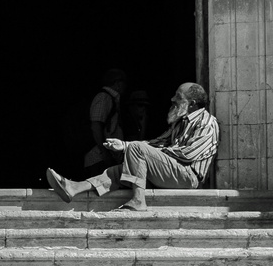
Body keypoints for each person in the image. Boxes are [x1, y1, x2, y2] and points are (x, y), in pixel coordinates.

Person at [46, 81, 218, 211]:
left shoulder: (207, 122)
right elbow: (157, 143)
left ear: (193, 103)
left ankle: (138, 201)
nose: (172, 99)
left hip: (187, 176)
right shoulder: (180, 123)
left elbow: (187, 154)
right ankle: (74, 188)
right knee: (120, 169)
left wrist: (138, 150)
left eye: (178, 97)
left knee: (136, 150)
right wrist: (124, 145)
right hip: (172, 172)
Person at [81, 68, 126, 170]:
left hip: (106, 157)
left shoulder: (112, 99)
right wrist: (104, 152)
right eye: (124, 82)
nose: (125, 86)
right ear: (117, 83)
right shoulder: (104, 97)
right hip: (98, 158)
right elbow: (95, 126)